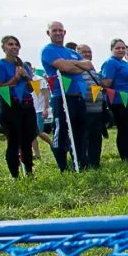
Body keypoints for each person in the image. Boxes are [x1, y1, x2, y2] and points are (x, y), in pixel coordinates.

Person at [41, 21, 92, 171]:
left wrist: (72, 65)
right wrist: (74, 65)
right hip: (62, 97)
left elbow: (88, 65)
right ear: (48, 33)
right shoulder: (48, 50)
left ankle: (81, 163)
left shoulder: (72, 52)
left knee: (80, 132)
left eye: (60, 30)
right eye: (54, 30)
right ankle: (63, 166)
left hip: (78, 97)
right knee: (61, 132)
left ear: (65, 32)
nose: (58, 33)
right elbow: (64, 68)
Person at [0, 35, 37, 179]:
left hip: (27, 105)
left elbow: (31, 88)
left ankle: (29, 171)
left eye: (16, 44)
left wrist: (26, 77)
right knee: (13, 141)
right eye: (10, 44)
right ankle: (15, 174)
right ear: (4, 47)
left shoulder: (22, 65)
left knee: (27, 140)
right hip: (10, 105)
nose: (14, 47)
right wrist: (15, 79)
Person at [101, 38, 128, 161]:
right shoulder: (110, 63)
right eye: (117, 48)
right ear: (111, 49)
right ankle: (125, 157)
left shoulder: (124, 63)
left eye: (123, 48)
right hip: (120, 101)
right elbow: (106, 83)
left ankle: (127, 154)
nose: (121, 50)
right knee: (124, 130)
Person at [76, 43, 105, 169]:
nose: (87, 54)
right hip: (85, 109)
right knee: (85, 138)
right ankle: (85, 163)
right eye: (84, 52)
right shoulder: (77, 70)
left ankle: (95, 162)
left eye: (89, 52)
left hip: (97, 110)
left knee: (96, 138)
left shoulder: (93, 70)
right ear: (77, 54)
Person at [30, 63, 52, 159]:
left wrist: (45, 108)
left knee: (38, 131)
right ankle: (37, 154)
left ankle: (53, 145)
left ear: (32, 68)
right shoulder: (24, 80)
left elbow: (46, 94)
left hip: (39, 109)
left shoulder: (39, 79)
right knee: (32, 133)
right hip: (30, 109)